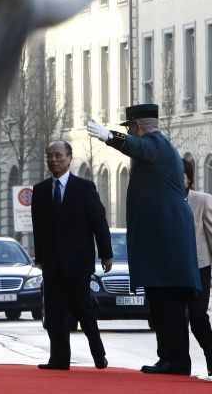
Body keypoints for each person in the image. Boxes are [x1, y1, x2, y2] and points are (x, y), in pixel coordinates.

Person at [88, 104, 200, 375]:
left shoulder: (156, 144)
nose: (131, 133)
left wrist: (109, 136)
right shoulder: (157, 147)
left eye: (130, 128)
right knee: (161, 305)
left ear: (137, 126)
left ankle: (176, 361)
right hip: (161, 243)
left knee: (169, 306)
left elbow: (138, 148)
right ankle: (170, 359)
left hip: (166, 244)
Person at [32, 140, 113, 370]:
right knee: (54, 313)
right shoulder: (40, 191)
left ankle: (98, 353)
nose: (53, 160)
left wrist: (106, 254)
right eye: (49, 156)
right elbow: (39, 228)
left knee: (82, 308)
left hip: (78, 261)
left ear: (69, 158)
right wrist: (40, 258)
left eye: (58, 155)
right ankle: (58, 359)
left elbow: (99, 222)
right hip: (52, 262)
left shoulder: (84, 187)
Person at [182, 158, 212, 376]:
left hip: (199, 268)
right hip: (173, 269)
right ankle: (179, 363)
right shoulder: (164, 201)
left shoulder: (202, 200)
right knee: (174, 318)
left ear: (189, 178)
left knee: (198, 317)